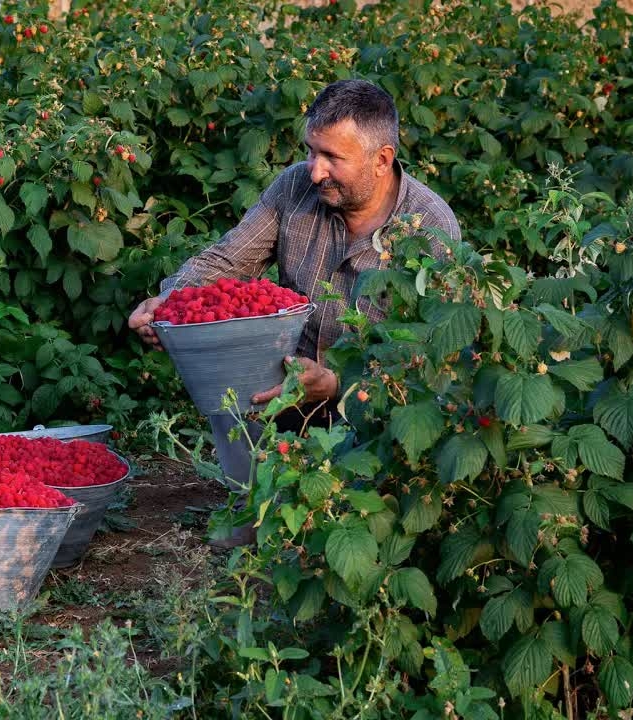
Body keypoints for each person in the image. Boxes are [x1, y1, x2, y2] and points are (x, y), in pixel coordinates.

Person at [127, 79, 461, 520]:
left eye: (332, 158)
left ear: (381, 160)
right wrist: (168, 302)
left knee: (346, 510)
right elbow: (227, 260)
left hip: (370, 403)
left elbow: (432, 358)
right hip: (281, 386)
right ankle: (250, 506)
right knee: (227, 370)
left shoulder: (430, 229)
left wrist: (337, 383)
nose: (315, 171)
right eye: (310, 151)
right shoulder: (294, 189)